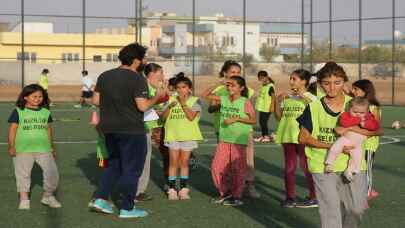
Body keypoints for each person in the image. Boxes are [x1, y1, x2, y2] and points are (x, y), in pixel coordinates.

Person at [297, 62, 383, 228]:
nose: (332, 88)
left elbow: (378, 130)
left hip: (353, 165)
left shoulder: (357, 103)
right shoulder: (313, 108)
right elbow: (303, 138)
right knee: (331, 212)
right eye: (326, 83)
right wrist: (333, 146)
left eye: (337, 82)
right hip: (322, 164)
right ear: (320, 84)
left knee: (356, 209)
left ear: (344, 82)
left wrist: (354, 130)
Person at [88, 43, 165, 219]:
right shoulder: (137, 78)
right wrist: (157, 97)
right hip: (131, 130)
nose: (145, 61)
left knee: (114, 165)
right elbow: (143, 105)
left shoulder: (105, 76)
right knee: (132, 169)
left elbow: (96, 101)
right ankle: (127, 208)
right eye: (144, 58)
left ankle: (100, 199)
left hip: (109, 129)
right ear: (136, 60)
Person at [208, 60, 259, 198]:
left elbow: (250, 106)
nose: (235, 74)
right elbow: (210, 108)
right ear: (225, 73)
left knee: (247, 160)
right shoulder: (219, 90)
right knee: (226, 162)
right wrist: (221, 105)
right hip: (224, 129)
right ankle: (229, 188)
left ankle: (249, 186)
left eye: (238, 72)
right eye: (232, 72)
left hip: (243, 131)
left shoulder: (243, 88)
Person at [8, 84, 61, 210]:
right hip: (23, 149)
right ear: (26, 97)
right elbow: (12, 130)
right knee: (23, 175)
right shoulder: (18, 111)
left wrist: (51, 147)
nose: (38, 99)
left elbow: (48, 129)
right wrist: (11, 146)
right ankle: (24, 198)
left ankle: (48, 196)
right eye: (34, 96)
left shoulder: (45, 112)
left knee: (52, 173)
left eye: (40, 96)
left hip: (44, 149)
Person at [273, 69, 318, 208]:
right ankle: (290, 197)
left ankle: (314, 196)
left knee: (307, 168)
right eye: (291, 78)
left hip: (304, 138)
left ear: (304, 81)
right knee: (289, 168)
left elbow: (315, 112)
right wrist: (277, 101)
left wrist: (301, 96)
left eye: (294, 79)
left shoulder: (312, 97)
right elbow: (279, 117)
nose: (291, 81)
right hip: (287, 136)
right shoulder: (288, 97)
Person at [162, 76, 203, 200]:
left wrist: (183, 104)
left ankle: (184, 189)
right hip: (173, 135)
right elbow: (162, 118)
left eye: (184, 87)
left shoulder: (196, 101)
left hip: (188, 136)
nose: (180, 90)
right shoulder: (170, 100)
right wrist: (169, 107)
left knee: (184, 163)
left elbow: (191, 117)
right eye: (178, 88)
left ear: (189, 88)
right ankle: (172, 189)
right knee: (173, 163)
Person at [325, 97, 379, 181]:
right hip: (346, 139)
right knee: (335, 148)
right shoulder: (345, 115)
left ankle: (349, 171)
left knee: (357, 158)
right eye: (355, 112)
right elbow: (344, 123)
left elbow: (375, 126)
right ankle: (329, 163)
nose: (358, 114)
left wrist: (365, 124)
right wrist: (358, 120)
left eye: (362, 112)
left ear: (367, 111)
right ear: (350, 109)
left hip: (357, 144)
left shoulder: (369, 117)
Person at [137, 63, 167, 202]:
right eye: (160, 72)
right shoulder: (143, 86)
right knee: (141, 159)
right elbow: (144, 106)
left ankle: (139, 190)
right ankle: (137, 191)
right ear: (152, 73)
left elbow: (160, 105)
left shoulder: (157, 86)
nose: (162, 75)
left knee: (145, 159)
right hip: (141, 128)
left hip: (152, 127)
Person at [351, 79, 382, 200]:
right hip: (358, 142)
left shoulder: (373, 106)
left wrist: (363, 132)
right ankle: (364, 189)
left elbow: (376, 125)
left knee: (367, 168)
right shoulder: (358, 104)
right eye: (353, 89)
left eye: (356, 89)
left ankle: (367, 192)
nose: (353, 92)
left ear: (365, 91)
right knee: (357, 166)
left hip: (369, 143)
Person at [254, 70, 276, 143]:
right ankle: (263, 136)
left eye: (262, 78)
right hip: (262, 107)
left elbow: (273, 97)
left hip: (267, 108)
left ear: (266, 77)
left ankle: (266, 137)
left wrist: (272, 106)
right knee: (261, 122)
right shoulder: (264, 86)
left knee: (263, 122)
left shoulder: (270, 86)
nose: (261, 80)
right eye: (260, 78)